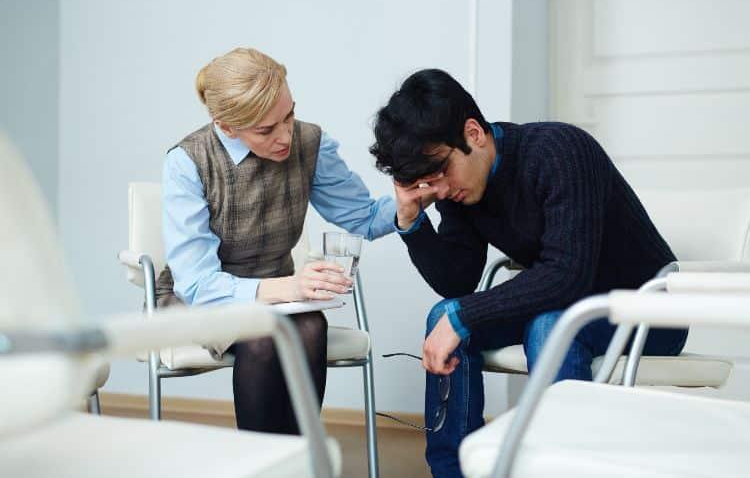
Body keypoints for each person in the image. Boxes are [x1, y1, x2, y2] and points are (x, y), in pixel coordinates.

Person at [369, 68, 688, 477]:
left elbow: (566, 274)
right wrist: (412, 221)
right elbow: (459, 282)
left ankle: (562, 468)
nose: (441, 191)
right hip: (568, 305)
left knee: (549, 326)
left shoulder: (560, 151)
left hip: (647, 311)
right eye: (427, 183)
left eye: (441, 174)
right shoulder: (456, 187)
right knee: (443, 314)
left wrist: (465, 316)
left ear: (473, 133)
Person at [155, 47, 395, 435]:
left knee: (310, 326)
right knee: (264, 337)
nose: (286, 136)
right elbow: (197, 284)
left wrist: (410, 202)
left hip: (281, 296)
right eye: (266, 130)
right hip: (198, 299)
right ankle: (265, 462)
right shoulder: (188, 161)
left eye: (289, 115)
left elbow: (362, 216)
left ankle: (298, 459)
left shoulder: (310, 142)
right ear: (227, 127)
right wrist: (291, 286)